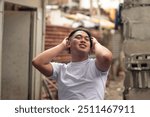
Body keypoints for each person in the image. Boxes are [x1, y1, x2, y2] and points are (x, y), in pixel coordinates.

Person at [32, 28, 112, 100]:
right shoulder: (61, 70)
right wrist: (62, 45)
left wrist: (96, 44)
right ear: (69, 43)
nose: (83, 40)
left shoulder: (96, 66)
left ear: (90, 47)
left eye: (87, 39)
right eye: (78, 37)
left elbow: (106, 56)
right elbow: (37, 62)